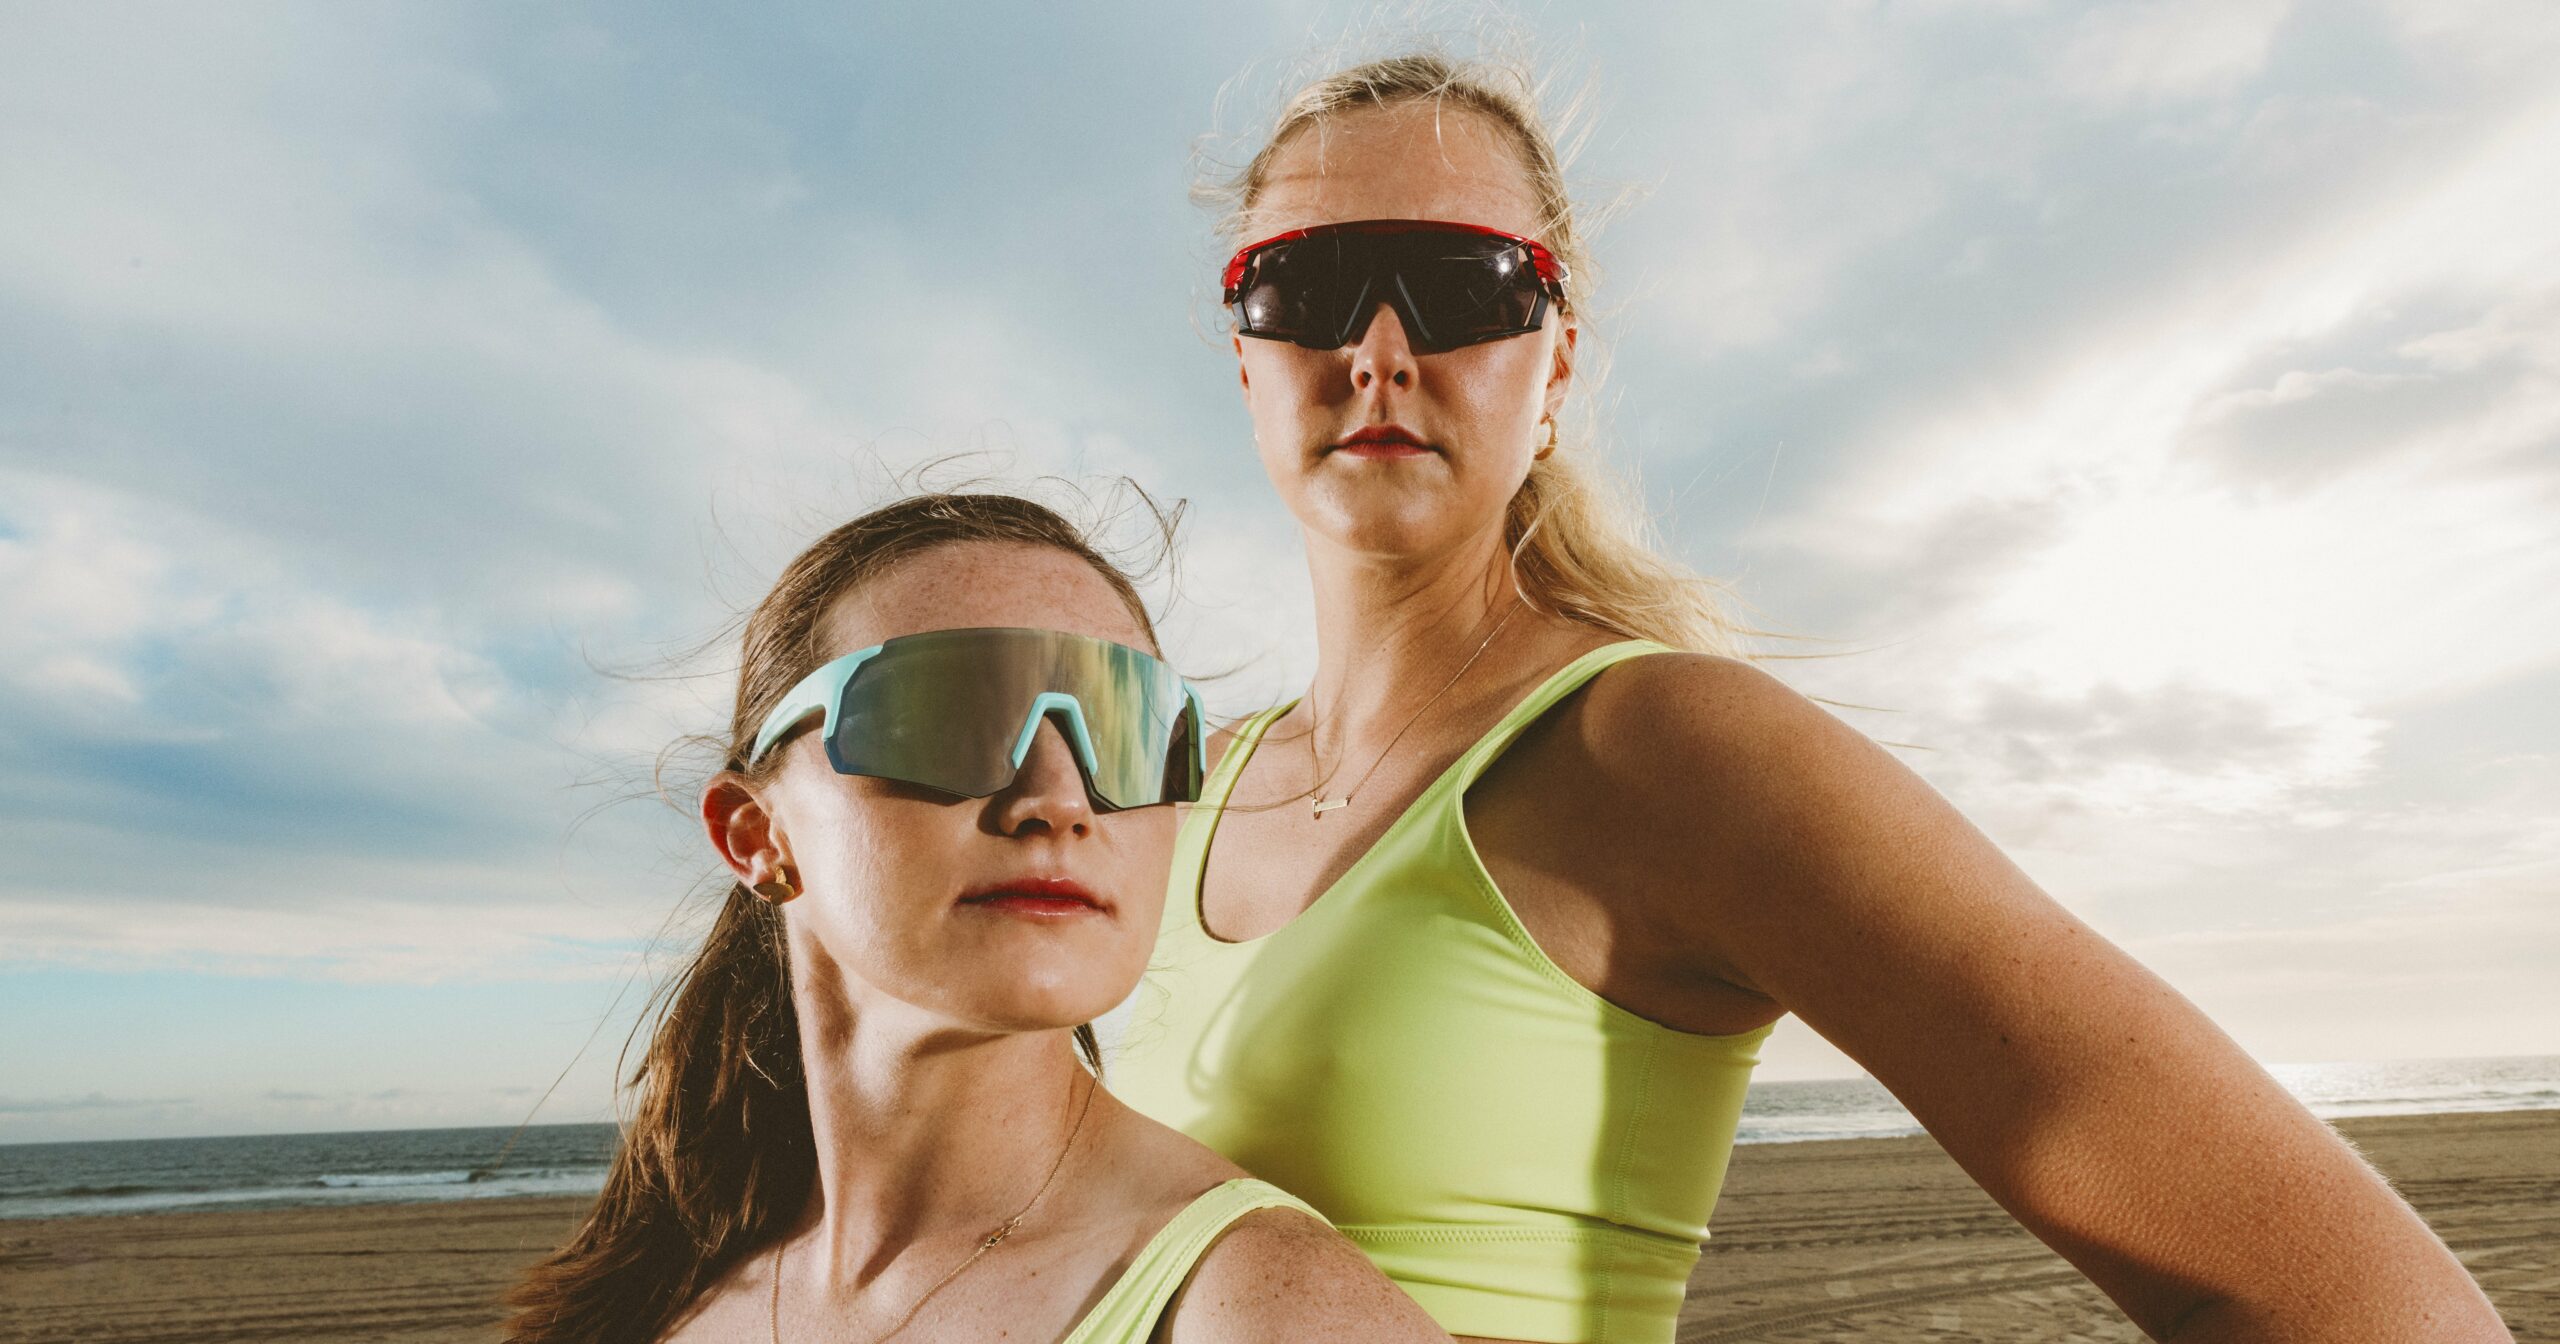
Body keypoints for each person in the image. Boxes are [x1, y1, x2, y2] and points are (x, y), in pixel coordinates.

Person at [1109, 53, 2512, 1344]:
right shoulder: (1169, 796)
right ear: (1244, 356)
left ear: (1555, 370)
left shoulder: (1664, 752)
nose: (1380, 348)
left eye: (1470, 285)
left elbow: (2389, 1310)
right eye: (1308, 284)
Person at [506, 494, 1446, 1343]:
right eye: (945, 717)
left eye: (1125, 732)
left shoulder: (1264, 1313)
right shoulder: (664, 1298)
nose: (1059, 799)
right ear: (756, 834)